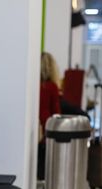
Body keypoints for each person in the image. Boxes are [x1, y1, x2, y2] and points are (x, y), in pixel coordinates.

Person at [38, 52, 62, 180]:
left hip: (36, 129)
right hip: (47, 130)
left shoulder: (33, 85)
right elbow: (56, 113)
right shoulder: (52, 87)